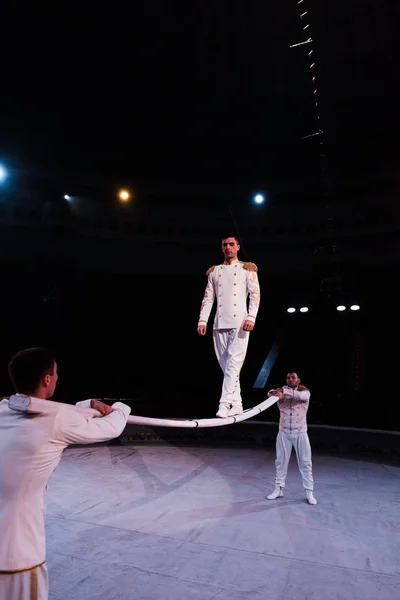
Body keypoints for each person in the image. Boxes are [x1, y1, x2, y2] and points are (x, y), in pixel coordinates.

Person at [0, 348, 131, 600]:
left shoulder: (4, 408)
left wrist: (88, 405)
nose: (58, 378)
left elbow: (47, 409)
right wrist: (120, 408)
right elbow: (110, 428)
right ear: (47, 379)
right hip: (18, 556)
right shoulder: (58, 421)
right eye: (56, 373)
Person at [197, 234, 260, 418]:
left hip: (240, 323)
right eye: (224, 245)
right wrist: (203, 320)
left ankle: (224, 404)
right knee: (227, 367)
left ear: (238, 247)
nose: (228, 248)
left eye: (231, 244)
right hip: (219, 323)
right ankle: (238, 404)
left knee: (233, 365)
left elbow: (255, 294)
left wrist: (251, 317)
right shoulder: (214, 272)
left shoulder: (247, 269)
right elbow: (208, 298)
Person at [266, 372, 317, 505]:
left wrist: (284, 391)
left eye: (293, 377)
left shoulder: (305, 392)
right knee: (281, 461)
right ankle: (278, 489)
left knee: (306, 463)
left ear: (298, 380)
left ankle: (309, 492)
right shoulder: (281, 392)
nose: (290, 379)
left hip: (300, 433)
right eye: (288, 377)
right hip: (284, 433)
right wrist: (276, 392)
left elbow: (300, 396)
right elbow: (269, 394)